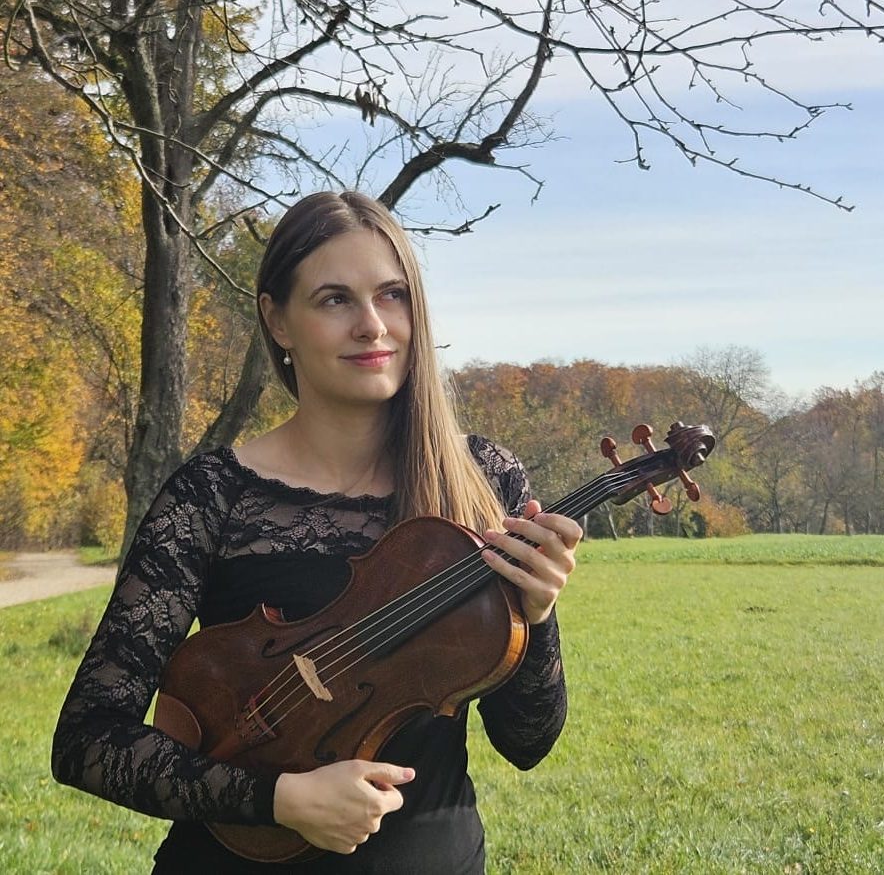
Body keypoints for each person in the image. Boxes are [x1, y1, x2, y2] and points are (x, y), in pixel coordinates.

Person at [51, 190, 582, 874]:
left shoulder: (482, 480)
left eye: (392, 296)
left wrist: (536, 615)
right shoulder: (212, 496)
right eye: (335, 300)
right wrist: (279, 799)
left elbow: (528, 742)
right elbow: (89, 739)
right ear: (278, 321)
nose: (372, 325)